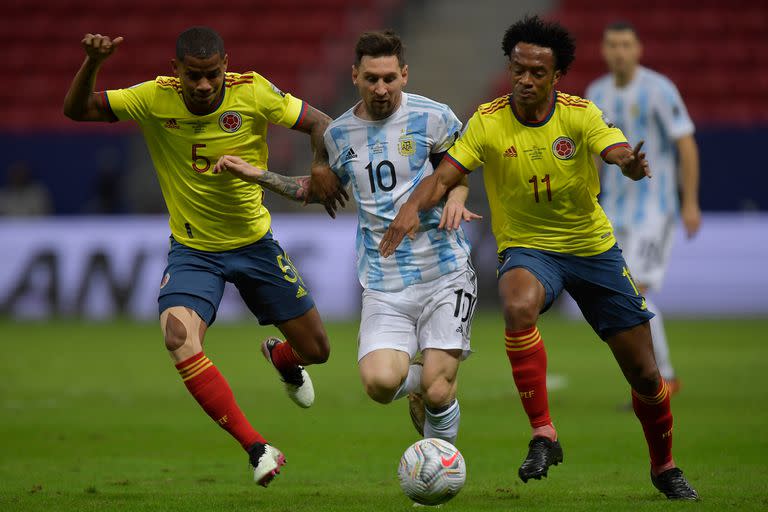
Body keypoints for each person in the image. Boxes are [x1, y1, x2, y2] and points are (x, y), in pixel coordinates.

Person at [379, 16, 698, 500]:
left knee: (646, 375)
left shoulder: (579, 114)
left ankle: (664, 465)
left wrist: (628, 165)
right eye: (518, 69)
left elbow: (612, 148)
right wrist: (412, 207)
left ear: (556, 77)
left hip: (592, 249)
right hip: (529, 249)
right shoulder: (487, 121)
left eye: (537, 73)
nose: (525, 80)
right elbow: (444, 175)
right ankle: (543, 434)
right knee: (517, 305)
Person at [63, 27, 347, 487]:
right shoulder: (154, 97)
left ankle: (282, 358)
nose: (203, 86)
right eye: (193, 76)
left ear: (225, 67)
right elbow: (77, 109)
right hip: (194, 252)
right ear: (176, 72)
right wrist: (93, 63)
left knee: (318, 350)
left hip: (255, 244)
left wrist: (318, 167)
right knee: (178, 337)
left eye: (212, 75)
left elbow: (321, 122)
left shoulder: (252, 90)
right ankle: (257, 447)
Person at [215, 30, 480, 445]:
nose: (381, 88)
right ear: (354, 75)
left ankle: (441, 465)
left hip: (444, 272)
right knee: (378, 385)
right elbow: (313, 190)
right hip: (384, 282)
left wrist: (455, 199)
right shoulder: (339, 135)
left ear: (405, 75)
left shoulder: (435, 117)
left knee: (440, 388)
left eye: (390, 78)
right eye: (371, 78)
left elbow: (459, 170)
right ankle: (420, 385)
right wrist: (258, 176)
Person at [586, 21, 701, 394]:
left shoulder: (659, 90)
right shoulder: (597, 92)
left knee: (638, 288)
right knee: (621, 294)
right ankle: (652, 379)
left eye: (626, 45)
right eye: (613, 45)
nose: (619, 51)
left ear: (638, 50)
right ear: (604, 51)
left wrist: (690, 202)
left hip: (655, 208)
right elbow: (593, 154)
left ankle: (662, 378)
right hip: (612, 210)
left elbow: (685, 144)